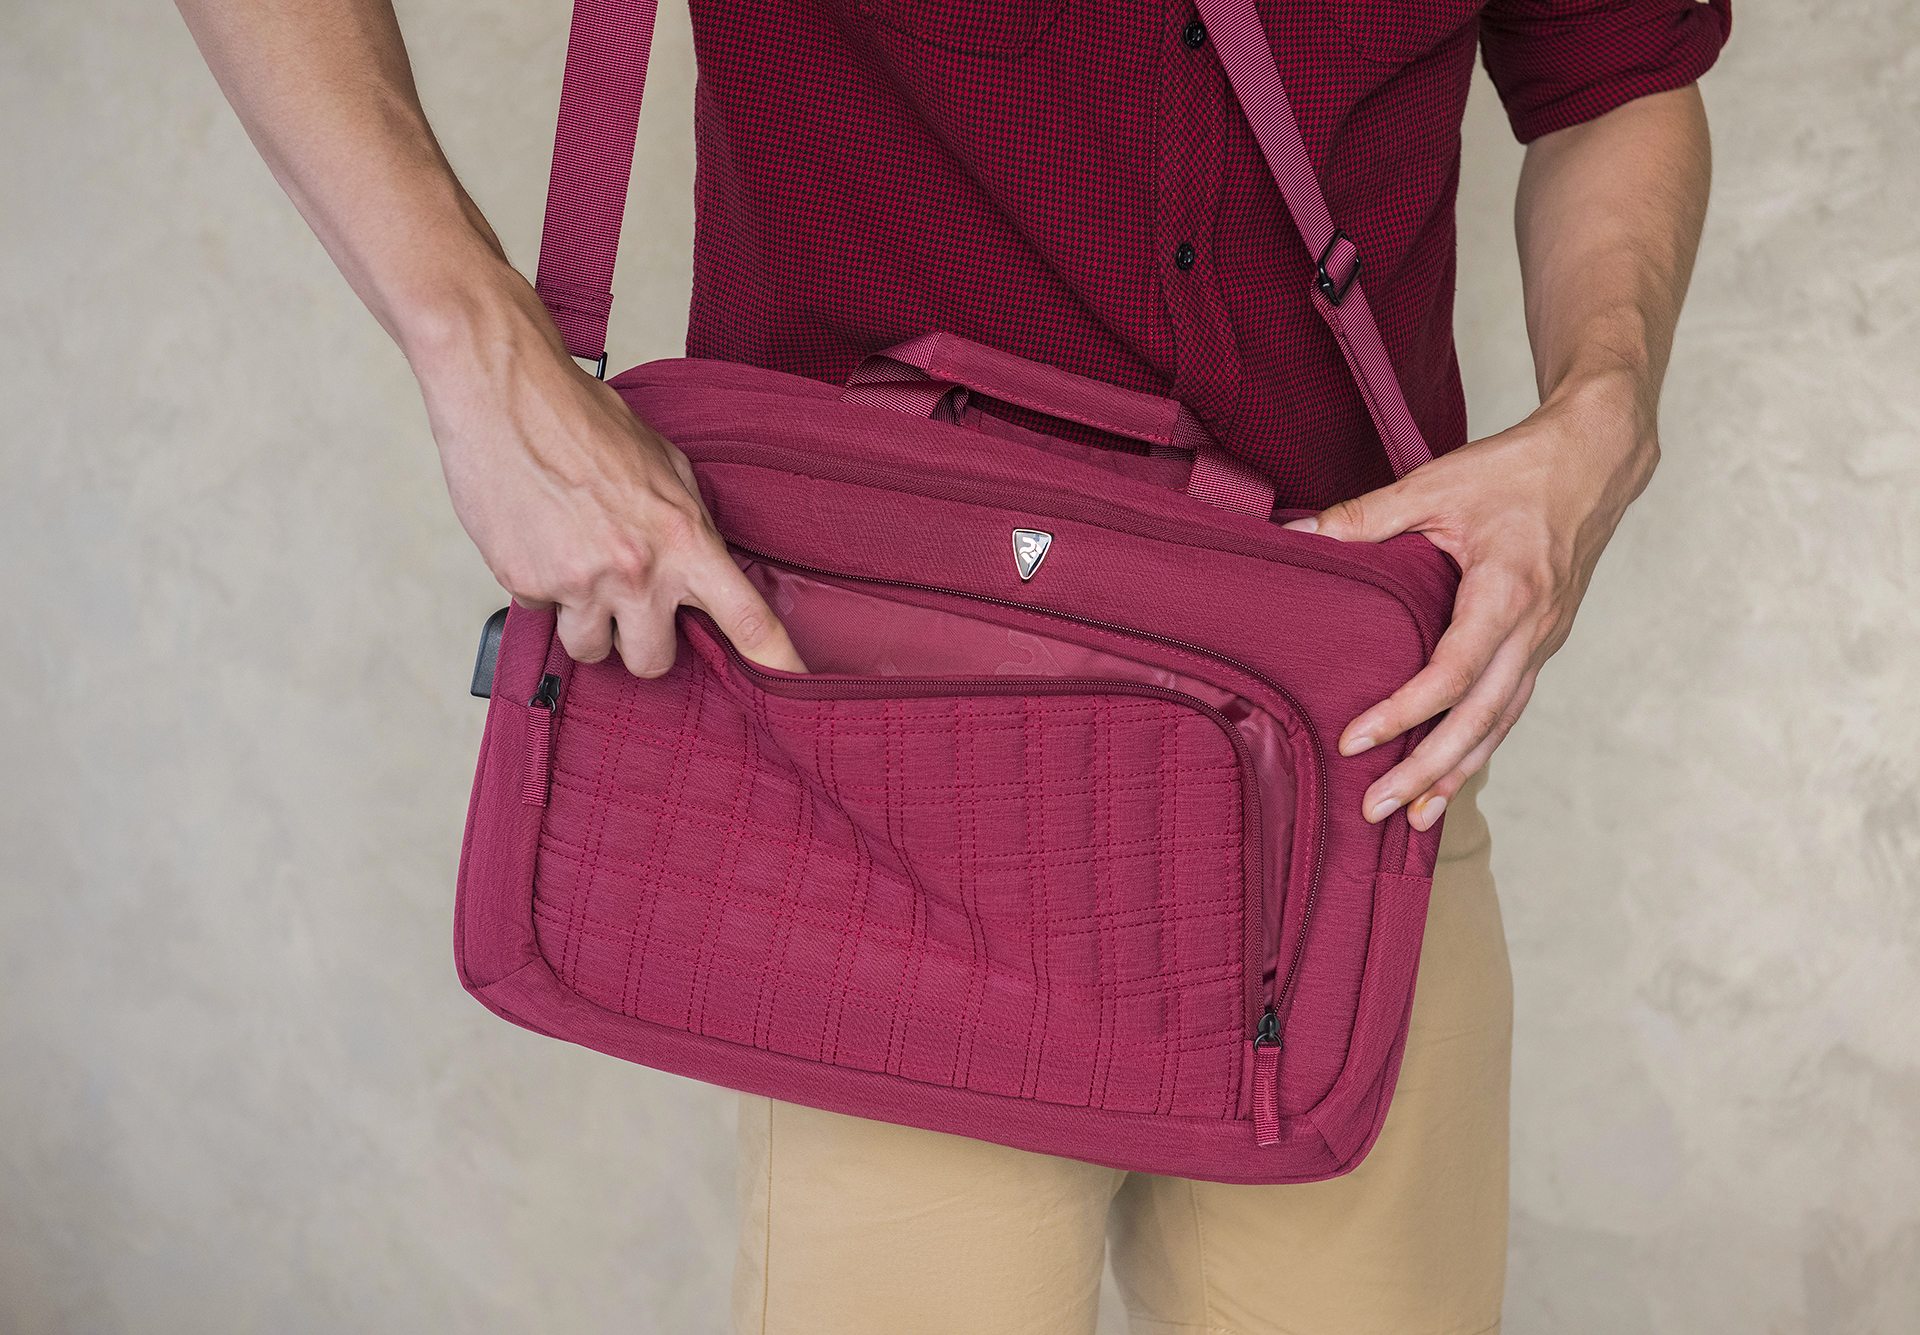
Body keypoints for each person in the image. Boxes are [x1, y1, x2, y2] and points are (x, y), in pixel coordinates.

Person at [175, 0, 1727, 1328]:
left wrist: (1604, 408)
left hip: (1366, 759)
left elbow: (1614, 78)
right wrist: (482, 357)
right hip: (885, 783)